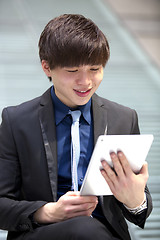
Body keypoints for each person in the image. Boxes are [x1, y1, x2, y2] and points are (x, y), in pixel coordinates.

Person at [0, 14, 152, 240]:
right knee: (83, 229)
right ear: (46, 67)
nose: (86, 82)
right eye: (73, 72)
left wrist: (134, 199)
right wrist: (48, 212)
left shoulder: (124, 118)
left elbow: (140, 214)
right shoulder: (17, 121)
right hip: (40, 233)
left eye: (95, 69)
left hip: (103, 233)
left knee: (88, 230)